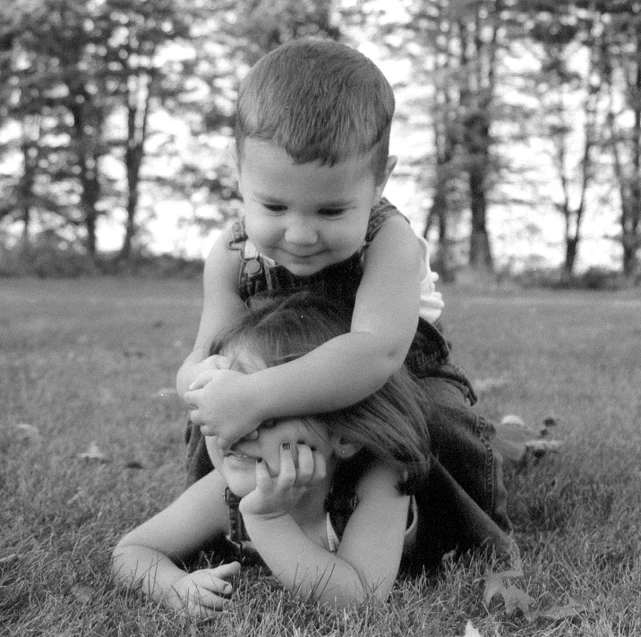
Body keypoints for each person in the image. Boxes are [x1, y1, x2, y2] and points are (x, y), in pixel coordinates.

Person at [178, 38, 512, 554]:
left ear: (380, 180)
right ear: (237, 171)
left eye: (331, 212)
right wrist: (206, 385)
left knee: (436, 424)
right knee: (214, 424)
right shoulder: (231, 253)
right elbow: (205, 350)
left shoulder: (389, 241)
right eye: (274, 205)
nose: (301, 233)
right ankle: (229, 527)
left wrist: (255, 395)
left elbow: (374, 353)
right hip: (269, 374)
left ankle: (457, 533)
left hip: (395, 383)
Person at [112, 293, 438, 615]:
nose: (238, 432)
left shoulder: (379, 481)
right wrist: (173, 587)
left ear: (343, 435)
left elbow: (359, 599)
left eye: (267, 418)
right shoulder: (221, 494)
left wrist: (267, 520)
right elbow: (132, 551)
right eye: (225, 412)